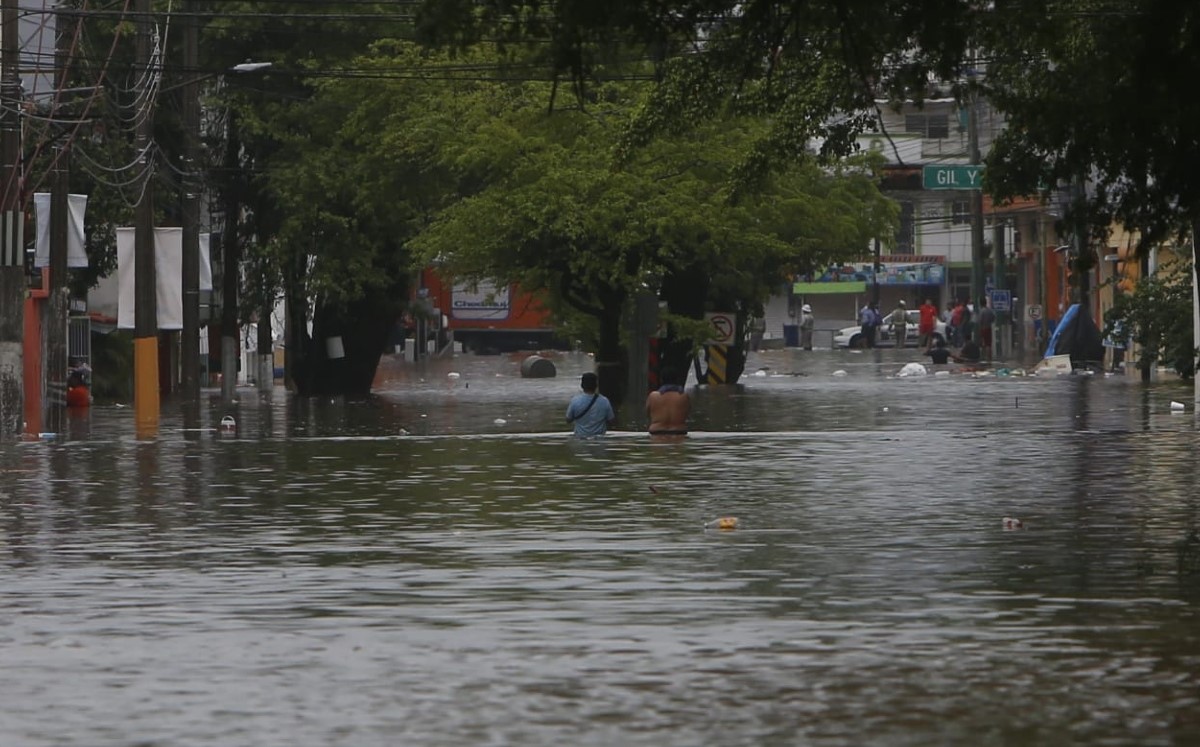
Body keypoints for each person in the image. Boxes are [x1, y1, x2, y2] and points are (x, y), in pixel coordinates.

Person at [565, 372, 616, 438]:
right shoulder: (605, 401)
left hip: (580, 440)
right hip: (600, 441)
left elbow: (568, 420)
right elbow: (612, 421)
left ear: (582, 385)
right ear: (596, 385)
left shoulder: (575, 401)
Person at [646, 365, 690, 438]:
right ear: (677, 379)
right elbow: (687, 413)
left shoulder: (653, 396)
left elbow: (648, 414)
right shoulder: (684, 396)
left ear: (661, 379)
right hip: (679, 432)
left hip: (657, 432)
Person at [976, 297, 996, 362]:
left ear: (980, 303)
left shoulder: (981, 311)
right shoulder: (989, 310)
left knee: (983, 343)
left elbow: (980, 321)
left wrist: (979, 329)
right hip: (988, 328)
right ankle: (989, 357)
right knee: (988, 344)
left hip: (983, 328)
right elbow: (993, 318)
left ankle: (983, 357)